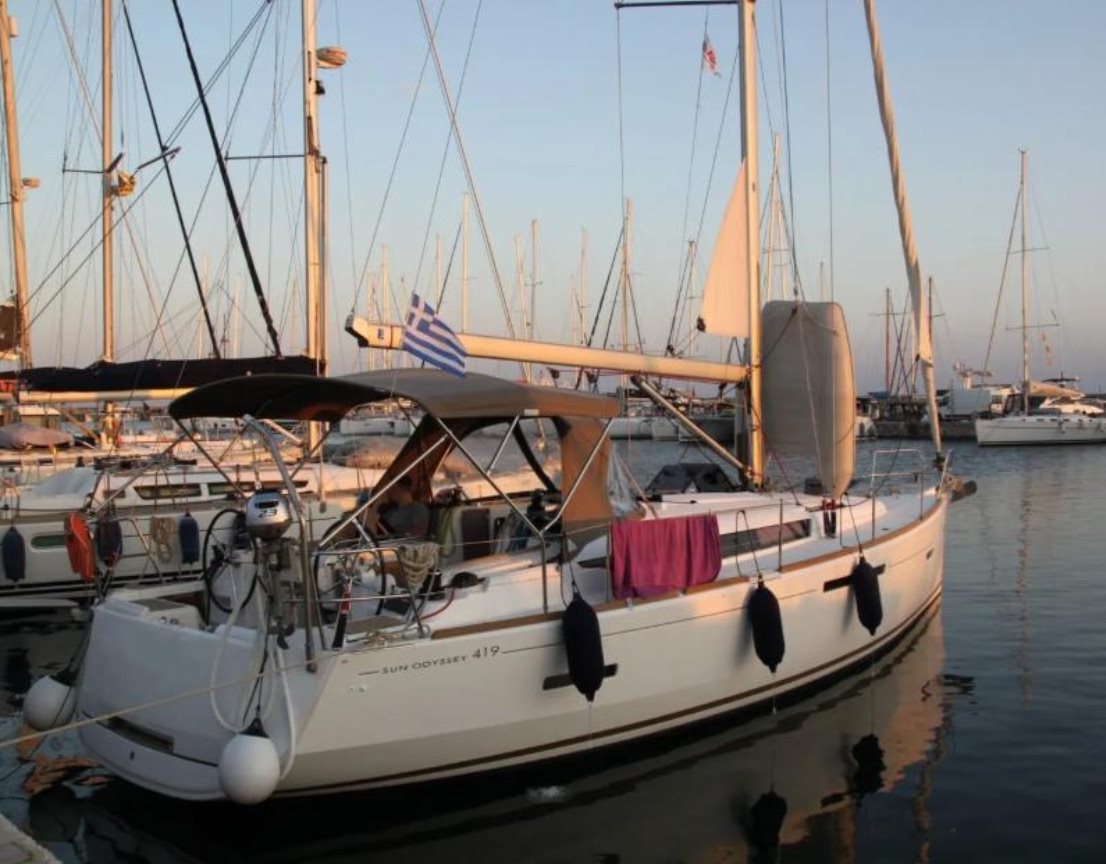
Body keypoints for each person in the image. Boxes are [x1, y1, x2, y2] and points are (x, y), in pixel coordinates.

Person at [364, 475, 430, 538]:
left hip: (399, 541)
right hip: (383, 538)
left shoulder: (418, 509)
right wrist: (377, 505)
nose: (387, 491)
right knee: (366, 514)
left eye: (390, 488)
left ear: (400, 488)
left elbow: (419, 534)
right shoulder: (389, 511)